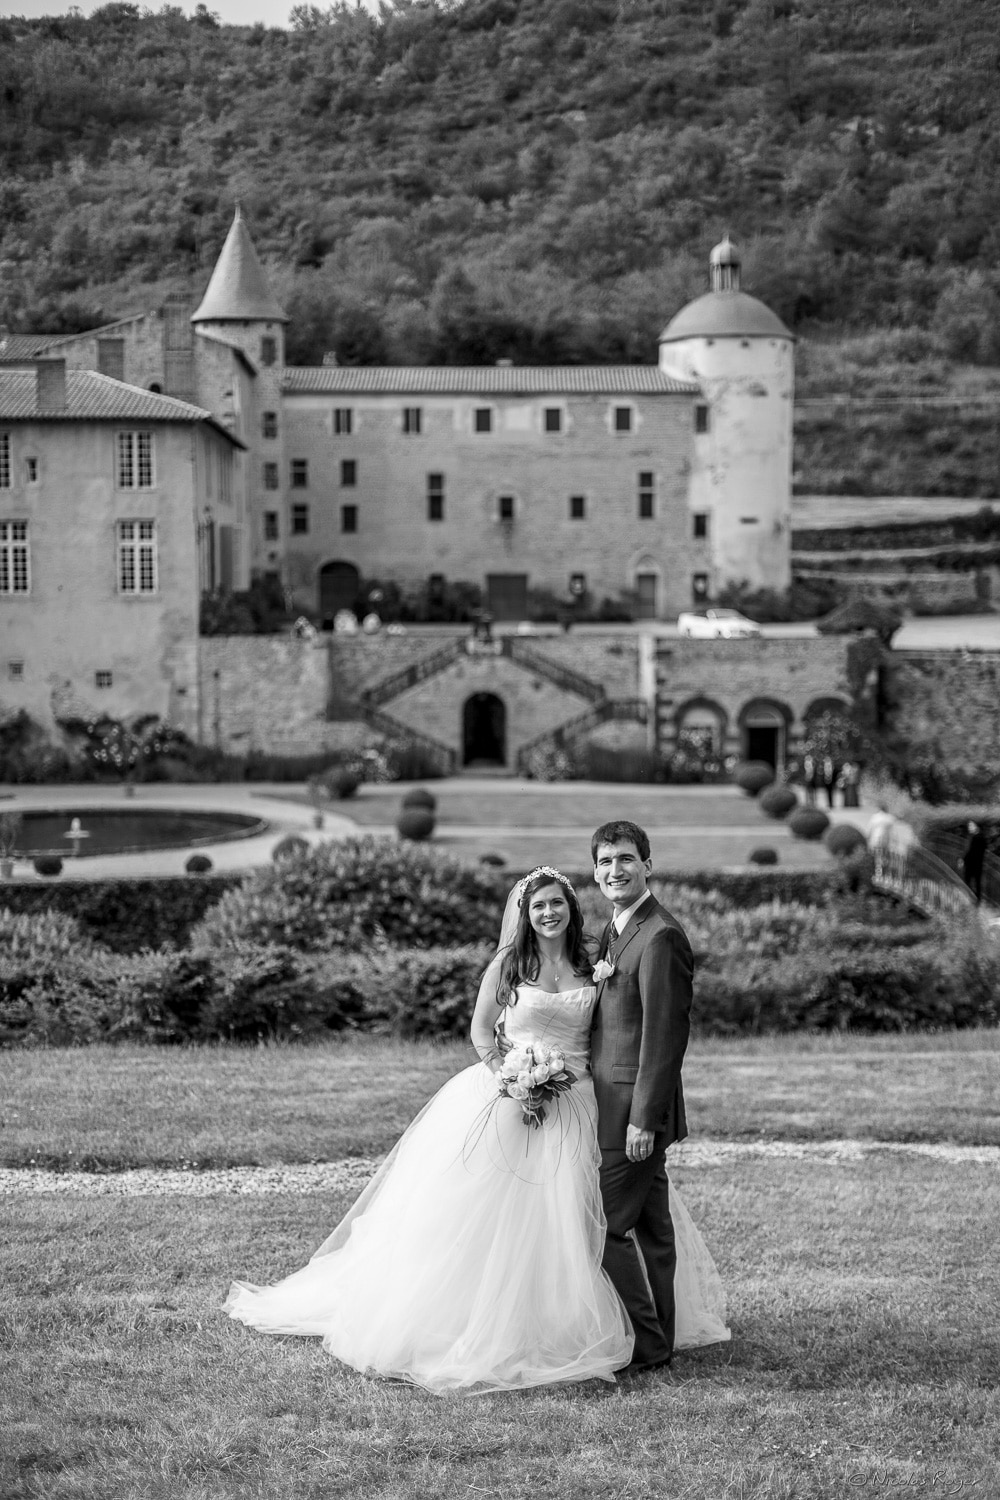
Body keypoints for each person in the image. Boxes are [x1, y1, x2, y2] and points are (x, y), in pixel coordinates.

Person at [224, 866, 729, 1395]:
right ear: (524, 915)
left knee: (576, 1219)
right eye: (538, 907)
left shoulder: (591, 959)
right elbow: (481, 1033)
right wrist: (512, 1080)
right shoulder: (509, 964)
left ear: (571, 908)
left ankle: (589, 1323)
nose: (549, 913)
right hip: (512, 1102)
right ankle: (489, 1323)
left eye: (557, 903)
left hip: (581, 1102)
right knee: (499, 1221)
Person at [590, 820, 699, 1372]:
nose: (616, 871)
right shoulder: (615, 930)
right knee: (653, 1231)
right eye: (606, 862)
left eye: (627, 860)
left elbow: (664, 1036)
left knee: (604, 1227)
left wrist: (643, 1120)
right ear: (595, 871)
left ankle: (647, 1345)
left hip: (631, 1112)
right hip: (610, 1103)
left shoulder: (660, 935)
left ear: (648, 866)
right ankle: (662, 1338)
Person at [961, 820, 987, 903]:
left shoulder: (976, 838)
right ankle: (977, 901)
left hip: (972, 864)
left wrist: (963, 860)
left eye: (971, 825)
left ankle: (971, 900)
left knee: (968, 882)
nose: (969, 827)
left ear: (977, 826)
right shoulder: (981, 837)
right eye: (969, 826)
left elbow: (971, 852)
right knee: (977, 883)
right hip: (978, 864)